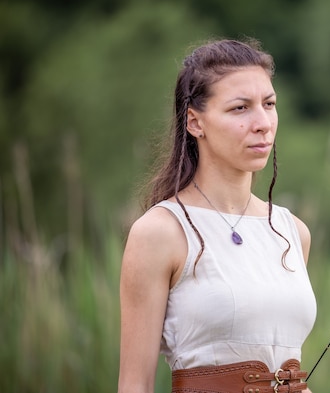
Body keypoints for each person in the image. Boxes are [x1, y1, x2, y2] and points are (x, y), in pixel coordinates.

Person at [117, 38, 317, 393]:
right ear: (195, 122)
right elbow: (135, 384)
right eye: (240, 108)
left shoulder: (292, 232)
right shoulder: (161, 232)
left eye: (269, 104)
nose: (262, 123)